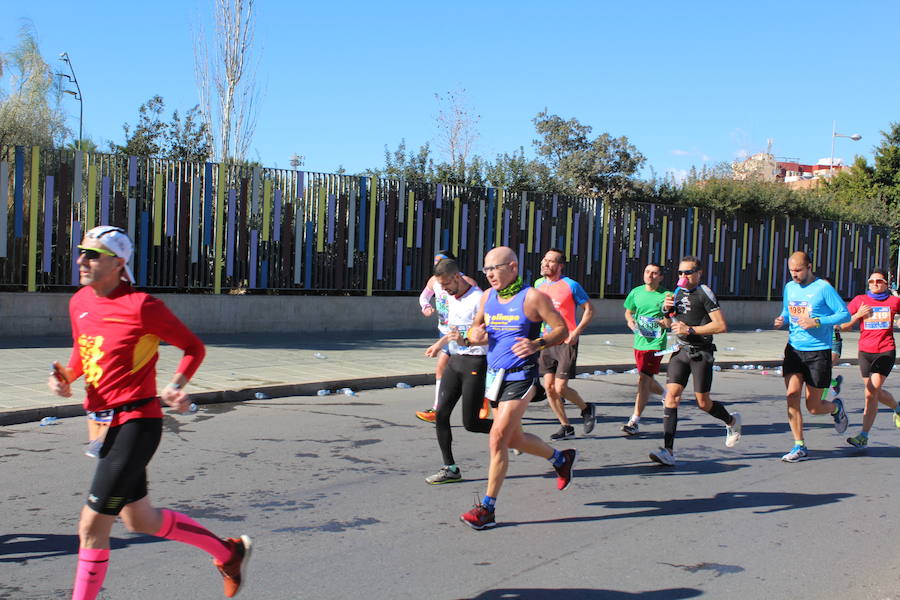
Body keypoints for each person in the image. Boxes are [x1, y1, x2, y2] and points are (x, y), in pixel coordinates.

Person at [47, 226, 251, 600]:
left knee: (91, 526)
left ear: (118, 262)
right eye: (81, 252)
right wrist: (66, 379)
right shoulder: (80, 301)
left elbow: (193, 347)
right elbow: (83, 352)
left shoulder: (142, 305)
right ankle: (229, 552)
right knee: (140, 519)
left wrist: (175, 385)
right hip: (100, 424)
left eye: (92, 254)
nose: (81, 260)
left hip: (137, 423)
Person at [459, 246, 576, 530]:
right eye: (485, 269)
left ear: (512, 267)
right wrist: (472, 337)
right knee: (513, 439)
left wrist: (537, 344)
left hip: (521, 376)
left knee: (498, 437)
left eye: (495, 268)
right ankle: (560, 458)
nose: (489, 275)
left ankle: (487, 508)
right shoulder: (488, 297)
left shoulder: (533, 297)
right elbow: (474, 331)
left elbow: (561, 329)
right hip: (495, 377)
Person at [651, 256, 742, 466]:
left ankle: (731, 421)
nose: (683, 277)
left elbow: (721, 326)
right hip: (680, 350)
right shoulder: (677, 292)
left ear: (699, 273)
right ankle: (668, 451)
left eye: (688, 272)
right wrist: (664, 314)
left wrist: (690, 330)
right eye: (680, 273)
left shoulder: (704, 293)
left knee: (704, 403)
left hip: (701, 352)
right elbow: (670, 321)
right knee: (671, 397)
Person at [773, 251, 851, 462]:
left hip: (818, 352)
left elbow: (844, 314)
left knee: (814, 407)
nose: (794, 274)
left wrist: (817, 321)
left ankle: (836, 407)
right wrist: (782, 319)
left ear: (809, 267)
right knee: (792, 395)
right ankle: (799, 446)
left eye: (798, 270)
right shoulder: (790, 287)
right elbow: (788, 312)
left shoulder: (823, 288)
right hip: (794, 349)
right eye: (791, 270)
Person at [423, 258, 492, 484]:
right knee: (441, 415)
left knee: (471, 424)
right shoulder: (452, 299)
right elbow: (454, 331)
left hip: (475, 362)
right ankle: (450, 468)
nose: (443, 290)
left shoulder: (478, 299)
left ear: (456, 277)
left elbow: (489, 336)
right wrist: (439, 344)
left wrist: (468, 342)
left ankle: (509, 432)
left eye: (445, 285)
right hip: (455, 360)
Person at [533, 248, 596, 440]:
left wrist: (576, 332)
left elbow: (589, 309)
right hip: (546, 341)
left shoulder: (571, 285)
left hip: (566, 341)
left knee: (560, 388)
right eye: (544, 259)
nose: (545, 263)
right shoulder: (538, 285)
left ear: (560, 266)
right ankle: (566, 426)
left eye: (551, 261)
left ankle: (586, 408)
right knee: (550, 388)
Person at [839, 269, 900, 447]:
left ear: (886, 284)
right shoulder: (860, 300)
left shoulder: (893, 301)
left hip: (885, 351)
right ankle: (897, 408)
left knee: (870, 393)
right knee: (875, 392)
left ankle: (863, 436)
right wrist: (858, 315)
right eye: (871, 282)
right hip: (865, 353)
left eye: (879, 281)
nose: (875, 284)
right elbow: (843, 326)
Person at [416, 250, 478, 424]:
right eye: (435, 262)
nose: (437, 265)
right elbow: (424, 296)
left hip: (464, 335)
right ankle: (437, 409)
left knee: (469, 373)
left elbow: (478, 308)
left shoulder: (468, 284)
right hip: (445, 331)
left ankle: (485, 401)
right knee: (442, 368)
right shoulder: (435, 280)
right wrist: (426, 306)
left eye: (441, 261)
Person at [622, 263, 669, 435]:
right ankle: (666, 394)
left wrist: (663, 323)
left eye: (654, 273)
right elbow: (628, 311)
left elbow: (670, 321)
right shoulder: (636, 292)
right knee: (645, 379)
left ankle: (634, 421)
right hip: (639, 341)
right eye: (647, 271)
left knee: (643, 380)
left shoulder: (666, 295)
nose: (650, 275)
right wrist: (630, 321)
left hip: (655, 343)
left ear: (660, 277)